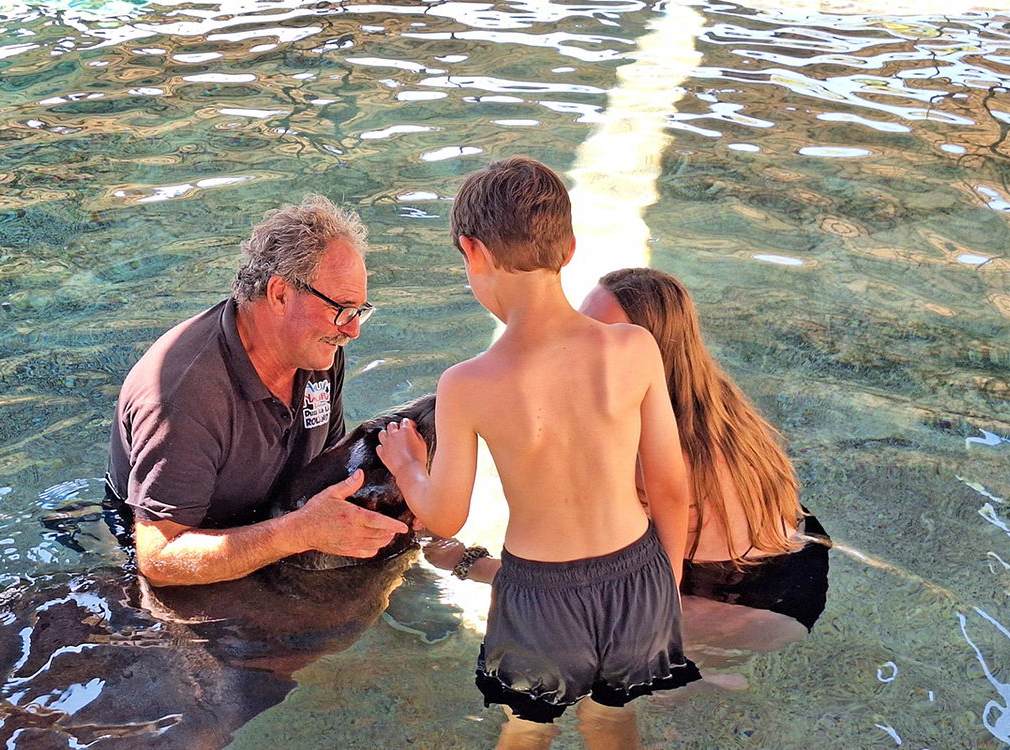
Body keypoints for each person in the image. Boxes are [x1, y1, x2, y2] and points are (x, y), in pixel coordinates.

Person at [376, 157, 701, 750]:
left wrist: (407, 466)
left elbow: (445, 518)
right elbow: (671, 486)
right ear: (570, 248)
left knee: (527, 730)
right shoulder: (633, 347)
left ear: (472, 251)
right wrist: (668, 578)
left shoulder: (468, 384)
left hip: (539, 597)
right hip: (640, 576)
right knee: (611, 720)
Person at [430, 267, 831, 663]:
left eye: (599, 330)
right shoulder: (717, 406)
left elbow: (570, 580)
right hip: (802, 558)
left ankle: (698, 671)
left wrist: (467, 563)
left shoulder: (637, 448)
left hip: (739, 604)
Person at [105, 195, 409, 587]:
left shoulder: (318, 354)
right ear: (280, 294)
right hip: (177, 543)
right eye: (342, 309)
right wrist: (297, 532)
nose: (352, 330)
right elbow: (160, 562)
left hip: (269, 519)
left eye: (359, 311)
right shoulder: (184, 395)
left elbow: (327, 473)